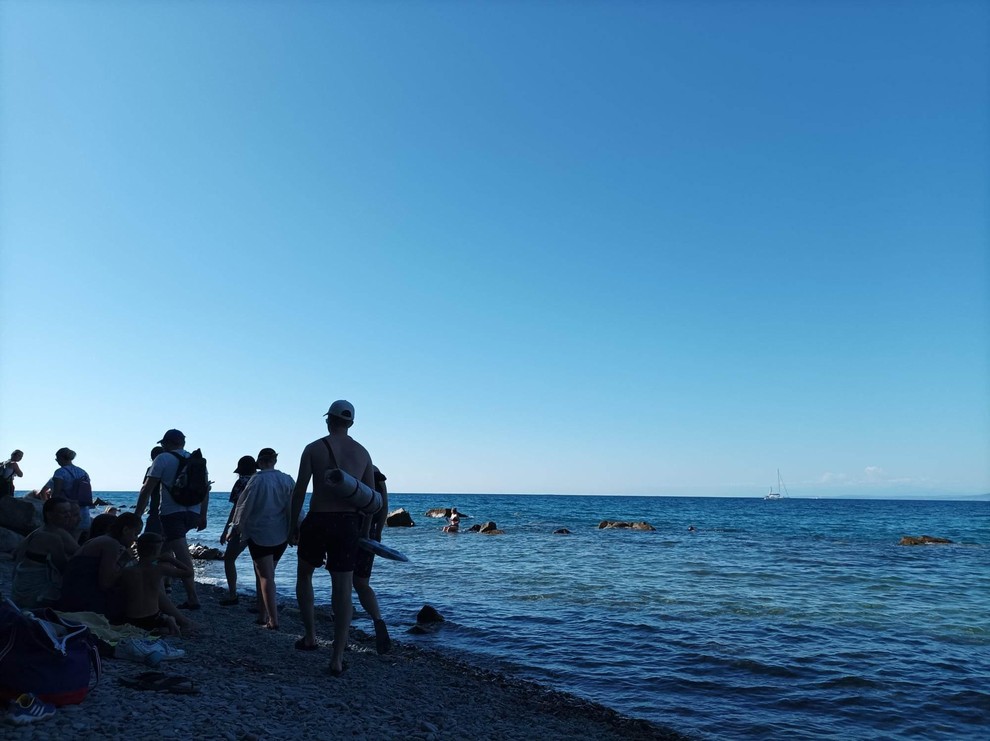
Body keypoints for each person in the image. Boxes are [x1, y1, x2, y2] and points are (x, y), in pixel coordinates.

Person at [289, 399, 377, 675]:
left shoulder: (314, 448)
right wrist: (364, 532)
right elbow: (371, 501)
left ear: (329, 420)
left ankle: (311, 636)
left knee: (304, 575)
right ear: (351, 423)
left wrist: (294, 524)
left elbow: (300, 490)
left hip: (318, 519)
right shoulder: (363, 453)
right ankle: (337, 657)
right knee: (343, 588)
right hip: (348, 524)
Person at [135, 429, 209, 610]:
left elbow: (147, 488)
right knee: (163, 552)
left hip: (171, 514)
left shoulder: (162, 459)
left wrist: (137, 515)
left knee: (182, 557)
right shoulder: (196, 460)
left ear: (167, 444)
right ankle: (157, 589)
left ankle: (193, 598)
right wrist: (203, 515)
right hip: (192, 513)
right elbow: (205, 490)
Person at [231, 448, 294, 630]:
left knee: (265, 577)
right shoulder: (287, 479)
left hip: (259, 533)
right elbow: (294, 505)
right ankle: (262, 614)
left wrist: (236, 528)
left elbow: (244, 506)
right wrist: (297, 527)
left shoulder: (256, 480)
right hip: (281, 534)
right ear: (274, 460)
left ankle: (272, 619)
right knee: (268, 575)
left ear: (260, 462)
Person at [57, 512, 143, 618]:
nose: (135, 539)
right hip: (83, 602)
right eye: (135, 534)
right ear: (125, 530)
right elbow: (106, 583)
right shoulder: (111, 544)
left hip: (71, 597)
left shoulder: (101, 540)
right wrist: (123, 560)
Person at [116, 532, 196, 636]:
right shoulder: (159, 569)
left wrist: (122, 560)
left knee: (141, 631)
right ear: (157, 551)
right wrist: (171, 559)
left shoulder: (127, 571)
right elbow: (188, 573)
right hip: (153, 617)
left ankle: (168, 624)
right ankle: (170, 621)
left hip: (131, 619)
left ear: (139, 549)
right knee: (157, 629)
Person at [11, 497, 79, 607]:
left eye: (70, 512)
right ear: (49, 515)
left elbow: (15, 553)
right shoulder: (53, 536)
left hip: (18, 589)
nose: (68, 515)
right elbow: (65, 566)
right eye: (63, 512)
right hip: (34, 595)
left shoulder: (38, 531)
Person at [352, 466, 392, 654]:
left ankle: (340, 631)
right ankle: (377, 619)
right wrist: (377, 534)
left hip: (352, 531)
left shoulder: (355, 471)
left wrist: (365, 530)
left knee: (342, 582)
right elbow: (383, 506)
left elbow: (366, 507)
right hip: (372, 535)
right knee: (362, 584)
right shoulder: (378, 475)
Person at [219, 455, 257, 606]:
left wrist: (226, 529)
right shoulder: (260, 481)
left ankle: (233, 594)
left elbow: (237, 508)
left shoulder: (241, 482)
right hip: (261, 526)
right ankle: (261, 601)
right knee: (259, 564)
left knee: (229, 559)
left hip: (242, 527)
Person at [50, 448, 93, 541]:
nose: (56, 461)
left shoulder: (60, 472)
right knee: (76, 541)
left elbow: (56, 494)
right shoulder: (83, 472)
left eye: (57, 458)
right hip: (84, 511)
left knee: (64, 542)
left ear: (61, 458)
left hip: (67, 511)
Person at [142, 446, 166, 535]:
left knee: (150, 537)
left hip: (155, 510)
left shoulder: (151, 469)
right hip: (171, 510)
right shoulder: (172, 469)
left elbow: (146, 490)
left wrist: (139, 512)